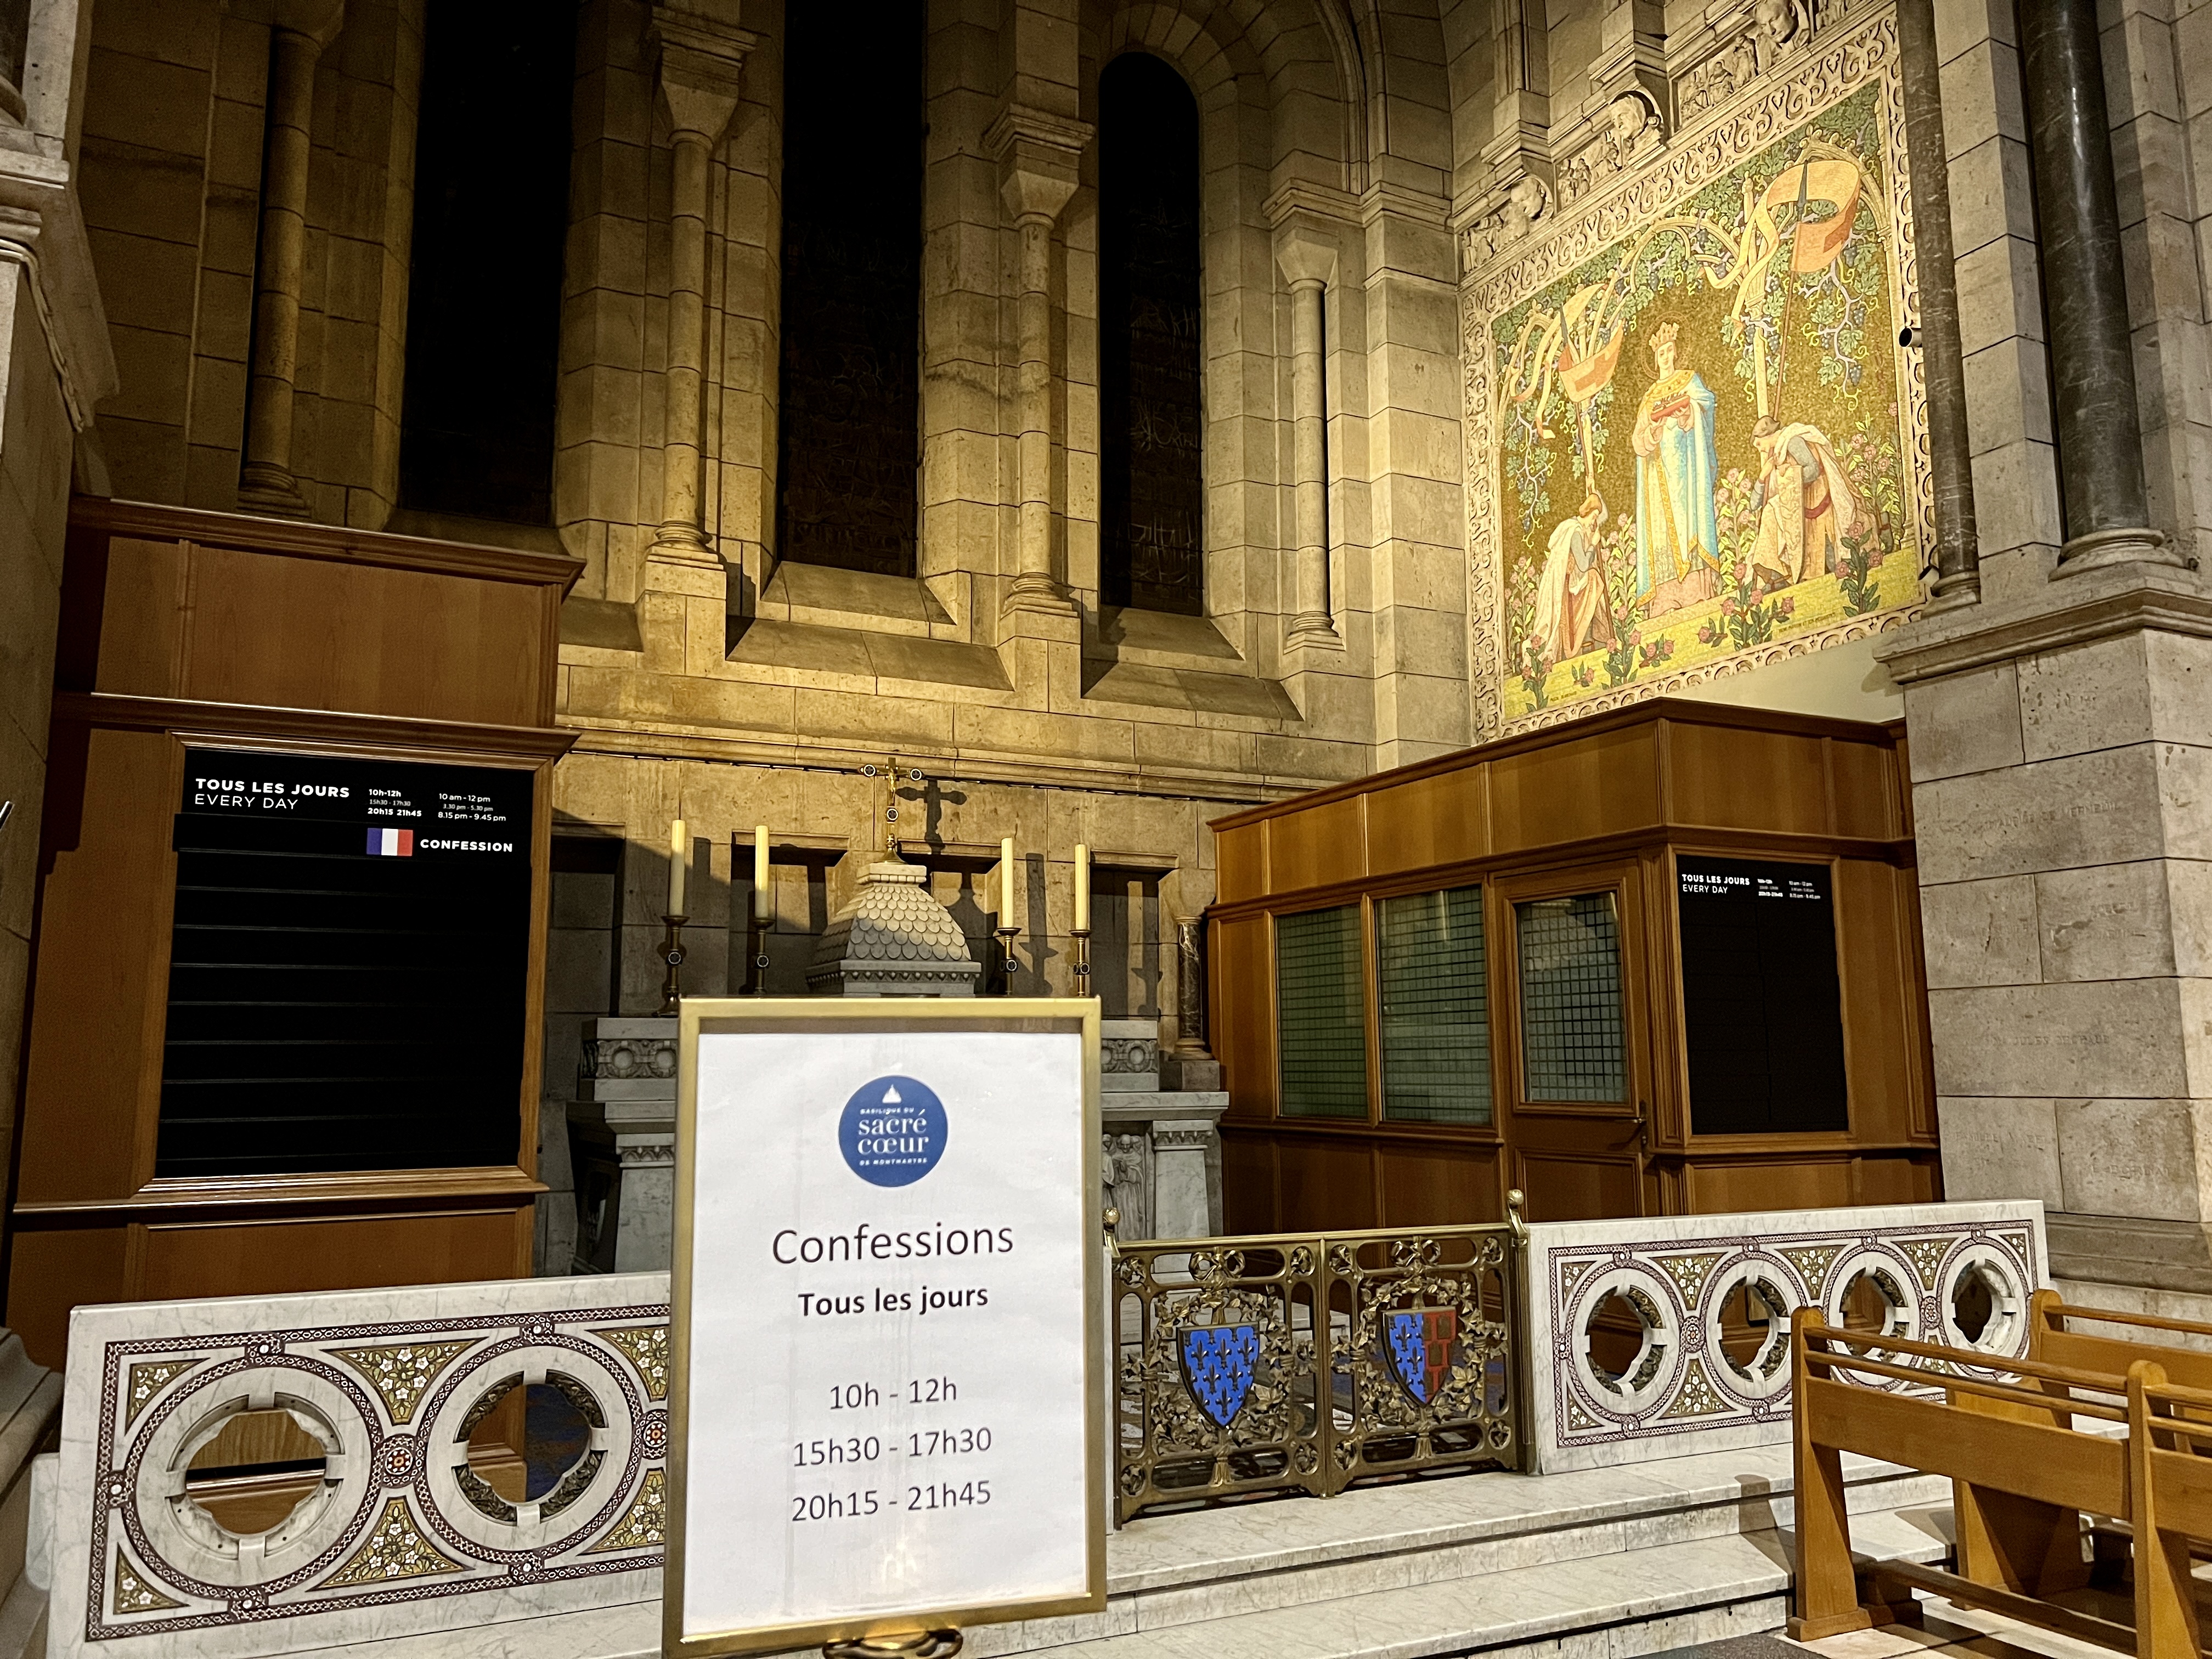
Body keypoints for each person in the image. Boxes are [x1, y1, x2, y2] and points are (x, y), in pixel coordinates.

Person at [1630, 323, 1720, 614]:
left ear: (1676, 352)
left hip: (1687, 470)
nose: (1666, 356)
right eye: (1661, 353)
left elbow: (1706, 404)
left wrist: (1687, 413)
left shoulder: (1688, 380)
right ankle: (1666, 600)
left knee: (1690, 521)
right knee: (1662, 533)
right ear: (1655, 359)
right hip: (1659, 477)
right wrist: (1653, 431)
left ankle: (1697, 593)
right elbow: (1638, 440)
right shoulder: (1649, 397)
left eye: (1670, 350)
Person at [1747, 415, 1858, 585]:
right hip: (1797, 502)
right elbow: (1754, 504)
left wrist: (1788, 476)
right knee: (1770, 511)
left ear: (1767, 434)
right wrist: (1764, 475)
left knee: (1771, 511)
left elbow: (1813, 470)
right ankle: (1778, 574)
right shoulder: (1778, 454)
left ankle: (1781, 573)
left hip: (1816, 496)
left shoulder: (1793, 442)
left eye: (1759, 444)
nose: (1760, 450)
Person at [1532, 493, 1613, 662]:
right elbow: (1583, 565)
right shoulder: (1575, 531)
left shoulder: (1576, 528)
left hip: (1572, 584)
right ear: (1588, 512)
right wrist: (1593, 544)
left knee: (1594, 579)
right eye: (1594, 516)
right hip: (1567, 589)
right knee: (1594, 578)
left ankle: (1600, 633)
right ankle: (1597, 633)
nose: (1594, 521)